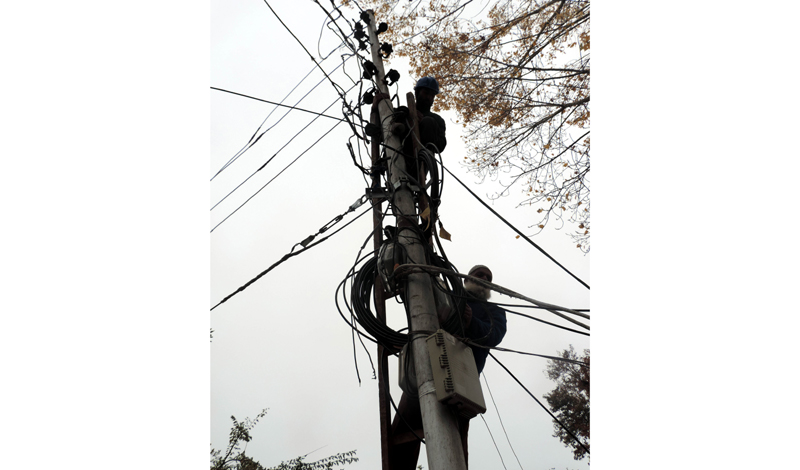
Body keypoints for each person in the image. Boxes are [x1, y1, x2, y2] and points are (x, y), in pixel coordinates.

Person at [388, 264, 507, 470]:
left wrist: (471, 322)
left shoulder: (495, 311)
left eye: (488, 277)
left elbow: (494, 335)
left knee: (455, 443)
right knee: (404, 431)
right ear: (466, 279)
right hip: (427, 366)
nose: (484, 278)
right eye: (479, 274)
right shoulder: (450, 296)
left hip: (462, 376)